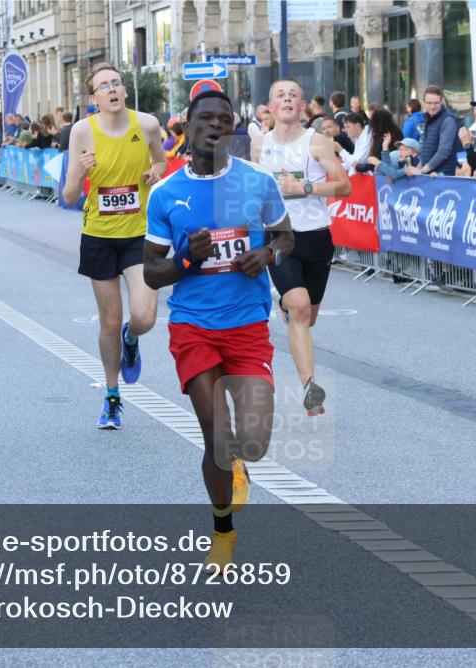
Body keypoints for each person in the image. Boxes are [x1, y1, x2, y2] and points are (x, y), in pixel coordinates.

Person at [142, 89, 294, 572]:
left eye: (223, 119)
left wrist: (268, 256)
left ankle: (241, 464)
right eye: (204, 118)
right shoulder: (166, 193)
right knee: (217, 437)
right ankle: (222, 532)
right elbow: (151, 272)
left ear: (233, 128)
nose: (214, 125)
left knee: (252, 441)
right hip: (194, 328)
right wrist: (188, 257)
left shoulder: (257, 182)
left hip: (248, 326)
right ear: (185, 128)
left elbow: (286, 236)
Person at [62, 62, 166, 429]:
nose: (113, 89)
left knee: (145, 317)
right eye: (104, 85)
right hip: (99, 236)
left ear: (124, 90)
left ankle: (132, 338)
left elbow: (161, 159)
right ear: (94, 98)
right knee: (108, 320)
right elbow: (70, 194)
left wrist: (156, 171)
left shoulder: (148, 124)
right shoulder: (81, 132)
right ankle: (111, 395)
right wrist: (80, 172)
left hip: (139, 234)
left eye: (117, 83)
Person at [252, 78, 352, 415]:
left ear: (303, 104)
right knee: (298, 307)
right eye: (280, 94)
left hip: (316, 237)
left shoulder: (318, 142)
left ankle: (288, 304)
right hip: (279, 235)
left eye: (294, 95)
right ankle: (310, 388)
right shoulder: (258, 145)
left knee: (307, 317)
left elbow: (345, 186)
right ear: (270, 106)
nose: (287, 99)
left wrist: (305, 187)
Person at [418, 85, 462, 176]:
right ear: (424, 103)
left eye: (436, 103)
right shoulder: (429, 119)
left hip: (443, 176)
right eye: (429, 103)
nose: (432, 106)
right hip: (431, 175)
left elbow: (444, 151)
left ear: (442, 102)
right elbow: (427, 149)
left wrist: (422, 171)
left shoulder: (448, 120)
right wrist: (420, 169)